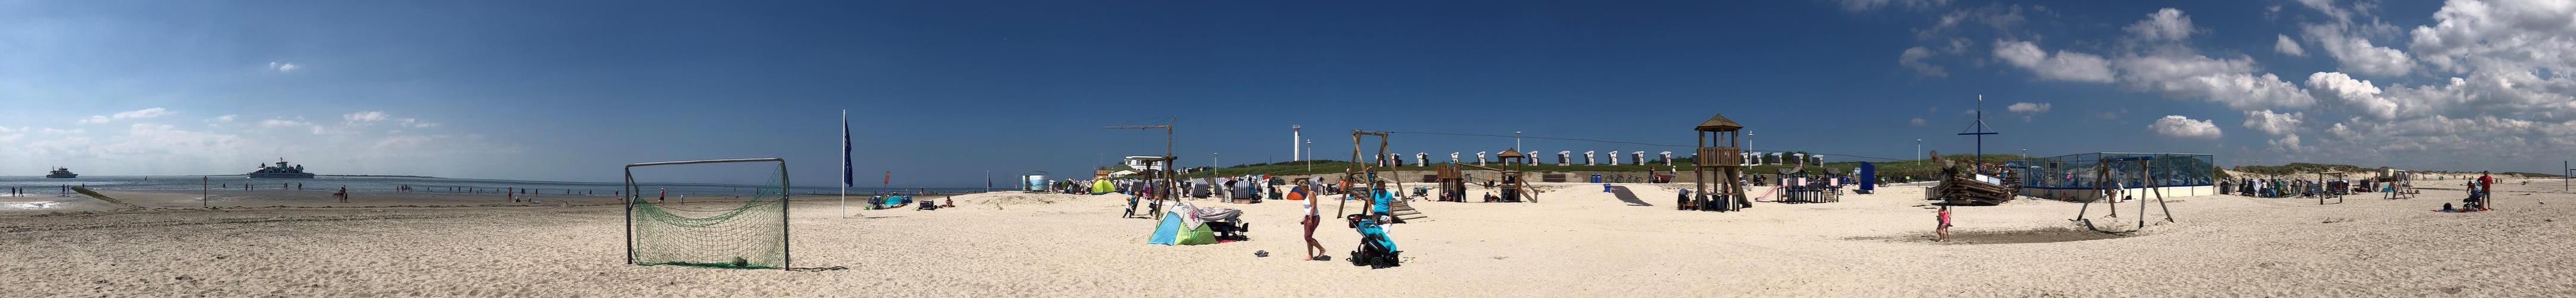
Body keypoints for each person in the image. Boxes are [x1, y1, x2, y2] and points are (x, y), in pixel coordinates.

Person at [1301, 184, 1327, 261]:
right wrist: (1305, 217)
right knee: (1308, 237)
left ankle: (1322, 249)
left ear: (1305, 187)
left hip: (1314, 217)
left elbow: (1313, 207)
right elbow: (1308, 208)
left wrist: (1310, 218)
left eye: (1301, 188)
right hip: (1307, 217)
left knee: (1307, 237)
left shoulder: (1311, 194)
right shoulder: (1306, 195)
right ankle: (1310, 256)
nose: (1301, 190)